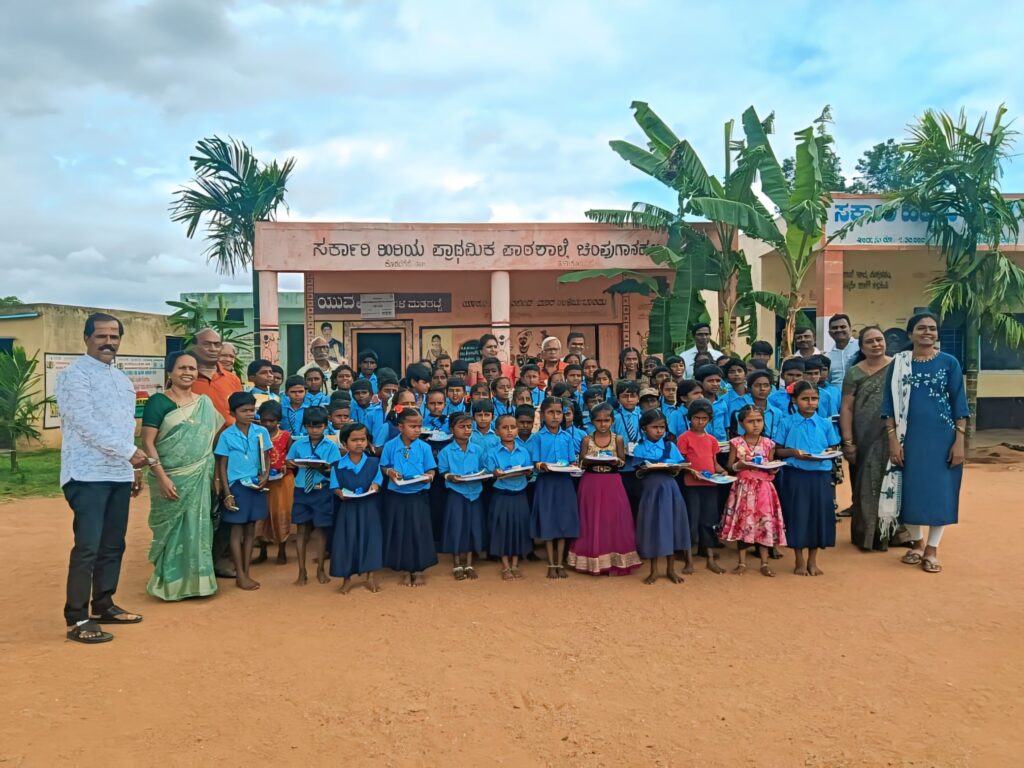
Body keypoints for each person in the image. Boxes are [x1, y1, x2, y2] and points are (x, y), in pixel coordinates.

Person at [57, 312, 149, 644]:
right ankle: (77, 618)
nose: (109, 342)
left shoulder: (122, 380)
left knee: (113, 544)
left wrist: (132, 467)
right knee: (88, 546)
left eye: (114, 336)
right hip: (86, 474)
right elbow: (84, 423)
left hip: (118, 473)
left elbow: (125, 428)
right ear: (86, 338)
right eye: (101, 336)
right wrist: (129, 453)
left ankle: (104, 604)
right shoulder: (74, 376)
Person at [881, 312, 968, 575]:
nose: (927, 332)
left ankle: (932, 549)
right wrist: (893, 440)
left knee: (940, 492)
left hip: (942, 438)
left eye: (932, 328)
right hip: (908, 438)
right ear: (910, 334)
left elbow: (959, 403)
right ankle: (917, 545)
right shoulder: (899, 364)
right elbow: (888, 405)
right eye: (921, 328)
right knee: (910, 490)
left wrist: (959, 441)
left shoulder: (949, 363)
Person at [141, 350, 224, 601]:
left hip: (199, 476)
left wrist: (214, 476)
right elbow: (148, 443)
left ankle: (199, 582)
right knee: (173, 529)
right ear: (170, 372)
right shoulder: (158, 402)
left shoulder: (204, 403)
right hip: (170, 476)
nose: (188, 373)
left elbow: (209, 441)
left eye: (192, 368)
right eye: (182, 368)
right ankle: (170, 584)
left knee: (199, 527)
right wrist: (162, 477)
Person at [838, 325, 896, 550]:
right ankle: (867, 536)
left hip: (893, 436)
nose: (876, 344)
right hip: (864, 436)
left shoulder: (897, 367)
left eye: (879, 340)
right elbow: (847, 407)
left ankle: (894, 534)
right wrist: (848, 442)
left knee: (892, 482)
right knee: (865, 485)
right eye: (870, 341)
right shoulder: (854, 372)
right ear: (861, 347)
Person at [775, 381, 840, 576]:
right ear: (795, 400)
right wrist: (793, 452)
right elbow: (778, 450)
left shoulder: (825, 423)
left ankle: (813, 560)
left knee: (818, 516)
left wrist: (828, 452)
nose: (810, 403)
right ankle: (799, 559)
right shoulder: (787, 422)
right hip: (796, 475)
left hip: (820, 475)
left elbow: (833, 447)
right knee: (798, 515)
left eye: (814, 399)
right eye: (805, 398)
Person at [566, 402, 640, 575]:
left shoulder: (618, 439)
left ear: (612, 421)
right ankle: (591, 560)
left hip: (612, 482)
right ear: (592, 422)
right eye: (598, 421)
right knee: (591, 518)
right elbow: (582, 462)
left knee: (613, 518)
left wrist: (615, 461)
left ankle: (614, 560)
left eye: (606, 420)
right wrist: (589, 460)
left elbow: (622, 462)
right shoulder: (587, 439)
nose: (603, 424)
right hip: (591, 482)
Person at [214, 392, 272, 591]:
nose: (249, 414)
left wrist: (265, 475)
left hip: (255, 485)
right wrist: (227, 493)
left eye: (251, 410)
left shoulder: (261, 432)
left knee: (250, 529)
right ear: (232, 413)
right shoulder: (227, 435)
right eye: (244, 410)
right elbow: (222, 465)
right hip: (237, 486)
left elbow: (267, 457)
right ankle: (239, 573)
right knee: (236, 530)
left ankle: (246, 572)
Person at [720, 405, 786, 576]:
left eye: (759, 420)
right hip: (743, 488)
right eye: (751, 421)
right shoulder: (736, 442)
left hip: (763, 488)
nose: (756, 425)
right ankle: (741, 562)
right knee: (743, 522)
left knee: (764, 522)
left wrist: (773, 469)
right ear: (742, 423)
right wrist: (739, 465)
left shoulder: (769, 444)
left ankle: (764, 563)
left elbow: (770, 466)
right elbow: (730, 466)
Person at [380, 406, 438, 587]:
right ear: (400, 427)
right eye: (412, 426)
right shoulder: (390, 446)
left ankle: (419, 569)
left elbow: (431, 469)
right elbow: (384, 466)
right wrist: (390, 472)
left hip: (417, 495)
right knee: (401, 531)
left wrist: (429, 476)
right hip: (397, 496)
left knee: (419, 531)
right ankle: (405, 569)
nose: (417, 430)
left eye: (419, 426)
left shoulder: (425, 447)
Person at [633, 409, 690, 585]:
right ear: (644, 428)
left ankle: (671, 569)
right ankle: (654, 570)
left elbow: (680, 466)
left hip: (670, 490)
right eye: (654, 427)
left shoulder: (670, 446)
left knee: (671, 526)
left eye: (662, 427)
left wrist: (674, 468)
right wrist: (644, 469)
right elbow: (637, 471)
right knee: (653, 527)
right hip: (651, 491)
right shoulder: (640, 447)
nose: (659, 431)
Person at [286, 406, 341, 586]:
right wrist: (295, 464)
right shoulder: (298, 444)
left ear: (325, 426)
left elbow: (335, 469)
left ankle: (320, 569)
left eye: (318, 426)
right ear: (305, 427)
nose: (314, 430)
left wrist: (322, 467)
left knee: (321, 530)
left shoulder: (331, 446)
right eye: (310, 426)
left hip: (322, 489)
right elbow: (289, 461)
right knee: (301, 530)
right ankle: (301, 571)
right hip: (302, 489)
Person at [528, 397, 580, 578]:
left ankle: (560, 562)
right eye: (551, 412)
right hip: (546, 483)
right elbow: (535, 462)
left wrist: (574, 466)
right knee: (548, 521)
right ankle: (551, 563)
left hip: (564, 483)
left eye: (559, 412)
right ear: (543, 415)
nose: (555, 416)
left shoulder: (567, 437)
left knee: (563, 522)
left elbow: (572, 461)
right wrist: (542, 465)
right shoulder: (537, 438)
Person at [330, 423, 384, 593]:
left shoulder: (373, 463)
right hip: (348, 509)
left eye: (363, 439)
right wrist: (340, 493)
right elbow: (335, 487)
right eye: (354, 440)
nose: (359, 443)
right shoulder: (337, 465)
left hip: (368, 507)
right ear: (344, 444)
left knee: (370, 540)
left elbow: (377, 481)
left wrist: (375, 486)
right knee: (347, 541)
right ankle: (347, 579)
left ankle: (370, 577)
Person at [676, 398, 726, 574]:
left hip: (710, 485)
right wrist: (691, 471)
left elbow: (714, 462)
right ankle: (688, 559)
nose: (700, 422)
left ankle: (710, 558)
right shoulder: (684, 438)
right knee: (692, 520)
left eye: (704, 418)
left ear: (709, 420)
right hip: (691, 485)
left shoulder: (711, 440)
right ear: (690, 418)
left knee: (709, 520)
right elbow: (680, 463)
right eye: (696, 418)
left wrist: (722, 471)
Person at [438, 412, 487, 580]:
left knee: (472, 527)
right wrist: (450, 477)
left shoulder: (478, 450)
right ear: (452, 429)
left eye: (469, 427)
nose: (466, 430)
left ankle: (469, 563)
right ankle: (457, 563)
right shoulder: (446, 451)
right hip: (457, 494)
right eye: (462, 427)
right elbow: (443, 471)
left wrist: (483, 475)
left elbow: (484, 469)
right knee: (457, 527)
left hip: (475, 493)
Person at [485, 413, 535, 580]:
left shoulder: (524, 451)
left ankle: (515, 564)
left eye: (513, 427)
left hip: (520, 494)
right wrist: (495, 473)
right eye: (505, 428)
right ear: (496, 431)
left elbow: (529, 472)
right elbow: (490, 472)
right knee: (502, 529)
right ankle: (505, 565)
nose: (509, 431)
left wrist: (528, 472)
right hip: (502, 495)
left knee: (519, 529)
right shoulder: (492, 452)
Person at [254, 400, 293, 565]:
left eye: (272, 420)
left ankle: (282, 550)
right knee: (261, 516)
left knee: (280, 514)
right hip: (261, 481)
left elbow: (291, 457)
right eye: (264, 420)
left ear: (278, 420)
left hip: (282, 481)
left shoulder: (286, 436)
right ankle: (262, 551)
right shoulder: (256, 436)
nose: (267, 424)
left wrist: (286, 466)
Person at [191, 327, 243, 425]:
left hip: (229, 434)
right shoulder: (186, 378)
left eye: (217, 345)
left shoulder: (233, 379)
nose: (212, 349)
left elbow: (241, 411)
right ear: (194, 347)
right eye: (206, 344)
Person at [826, 314, 859, 386]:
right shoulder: (828, 357)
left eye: (843, 327)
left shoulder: (861, 347)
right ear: (830, 333)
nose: (839, 330)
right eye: (835, 328)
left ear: (850, 329)